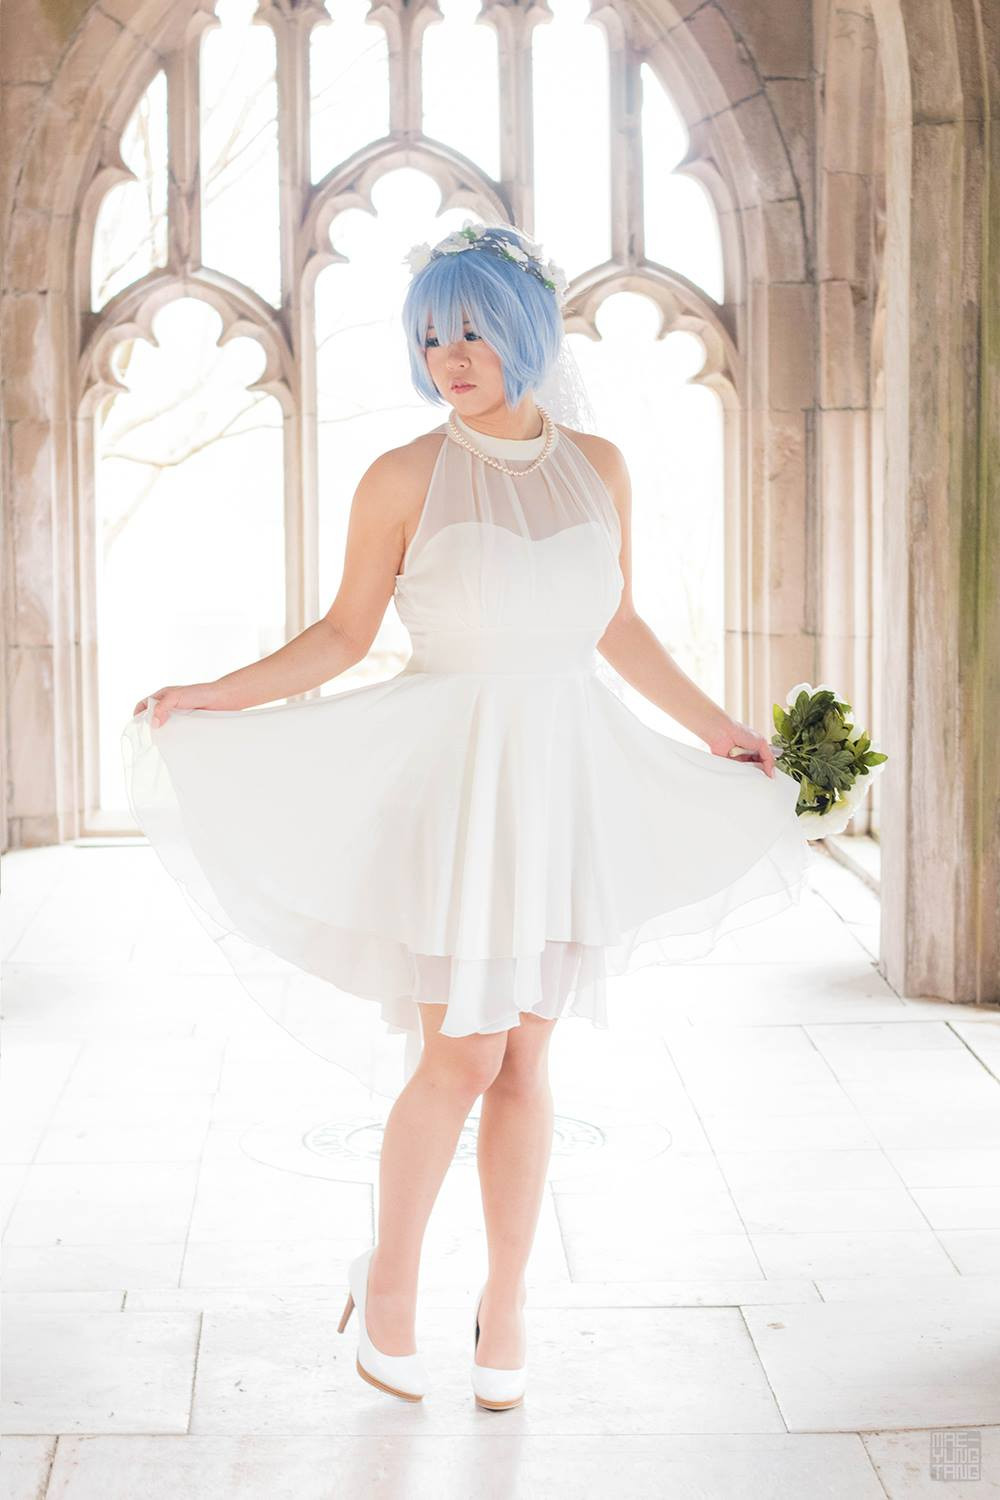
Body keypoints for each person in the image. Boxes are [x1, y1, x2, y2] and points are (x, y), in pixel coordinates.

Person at [122, 221, 816, 1411]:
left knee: (526, 1057)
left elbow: (619, 626)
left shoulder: (598, 465)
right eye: (429, 333)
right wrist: (209, 693)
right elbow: (343, 635)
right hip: (457, 781)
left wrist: (718, 728)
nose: (449, 354)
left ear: (525, 329)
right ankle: (388, 1287)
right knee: (461, 1050)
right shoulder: (400, 478)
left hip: (560, 777)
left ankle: (507, 1302)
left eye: (472, 327)